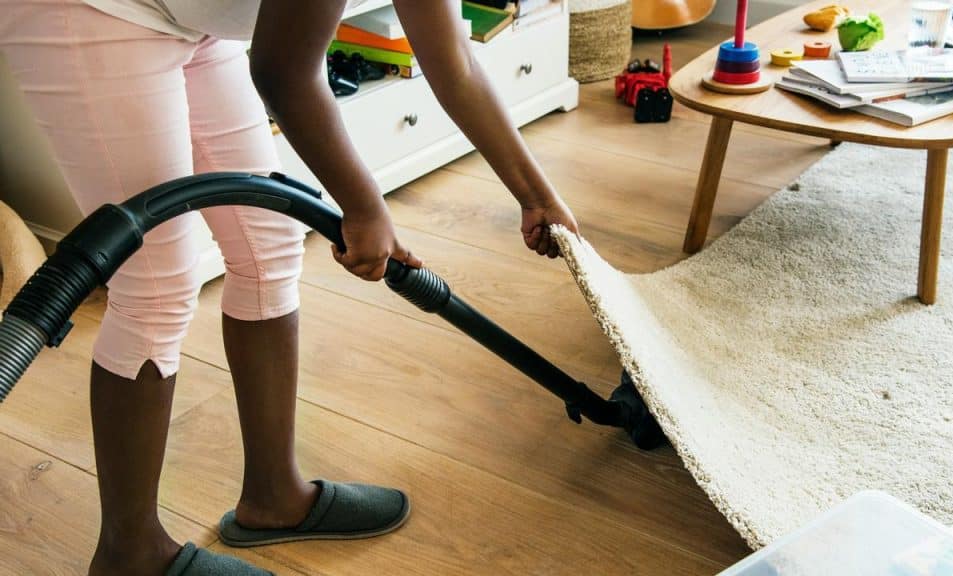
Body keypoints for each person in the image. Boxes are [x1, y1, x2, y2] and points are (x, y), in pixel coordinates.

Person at [0, 0, 580, 574]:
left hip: (194, 19)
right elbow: (283, 71)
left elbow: (453, 57)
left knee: (267, 244)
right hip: (94, 8)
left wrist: (536, 195)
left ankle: (273, 496)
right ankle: (131, 555)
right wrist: (363, 205)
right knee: (156, 283)